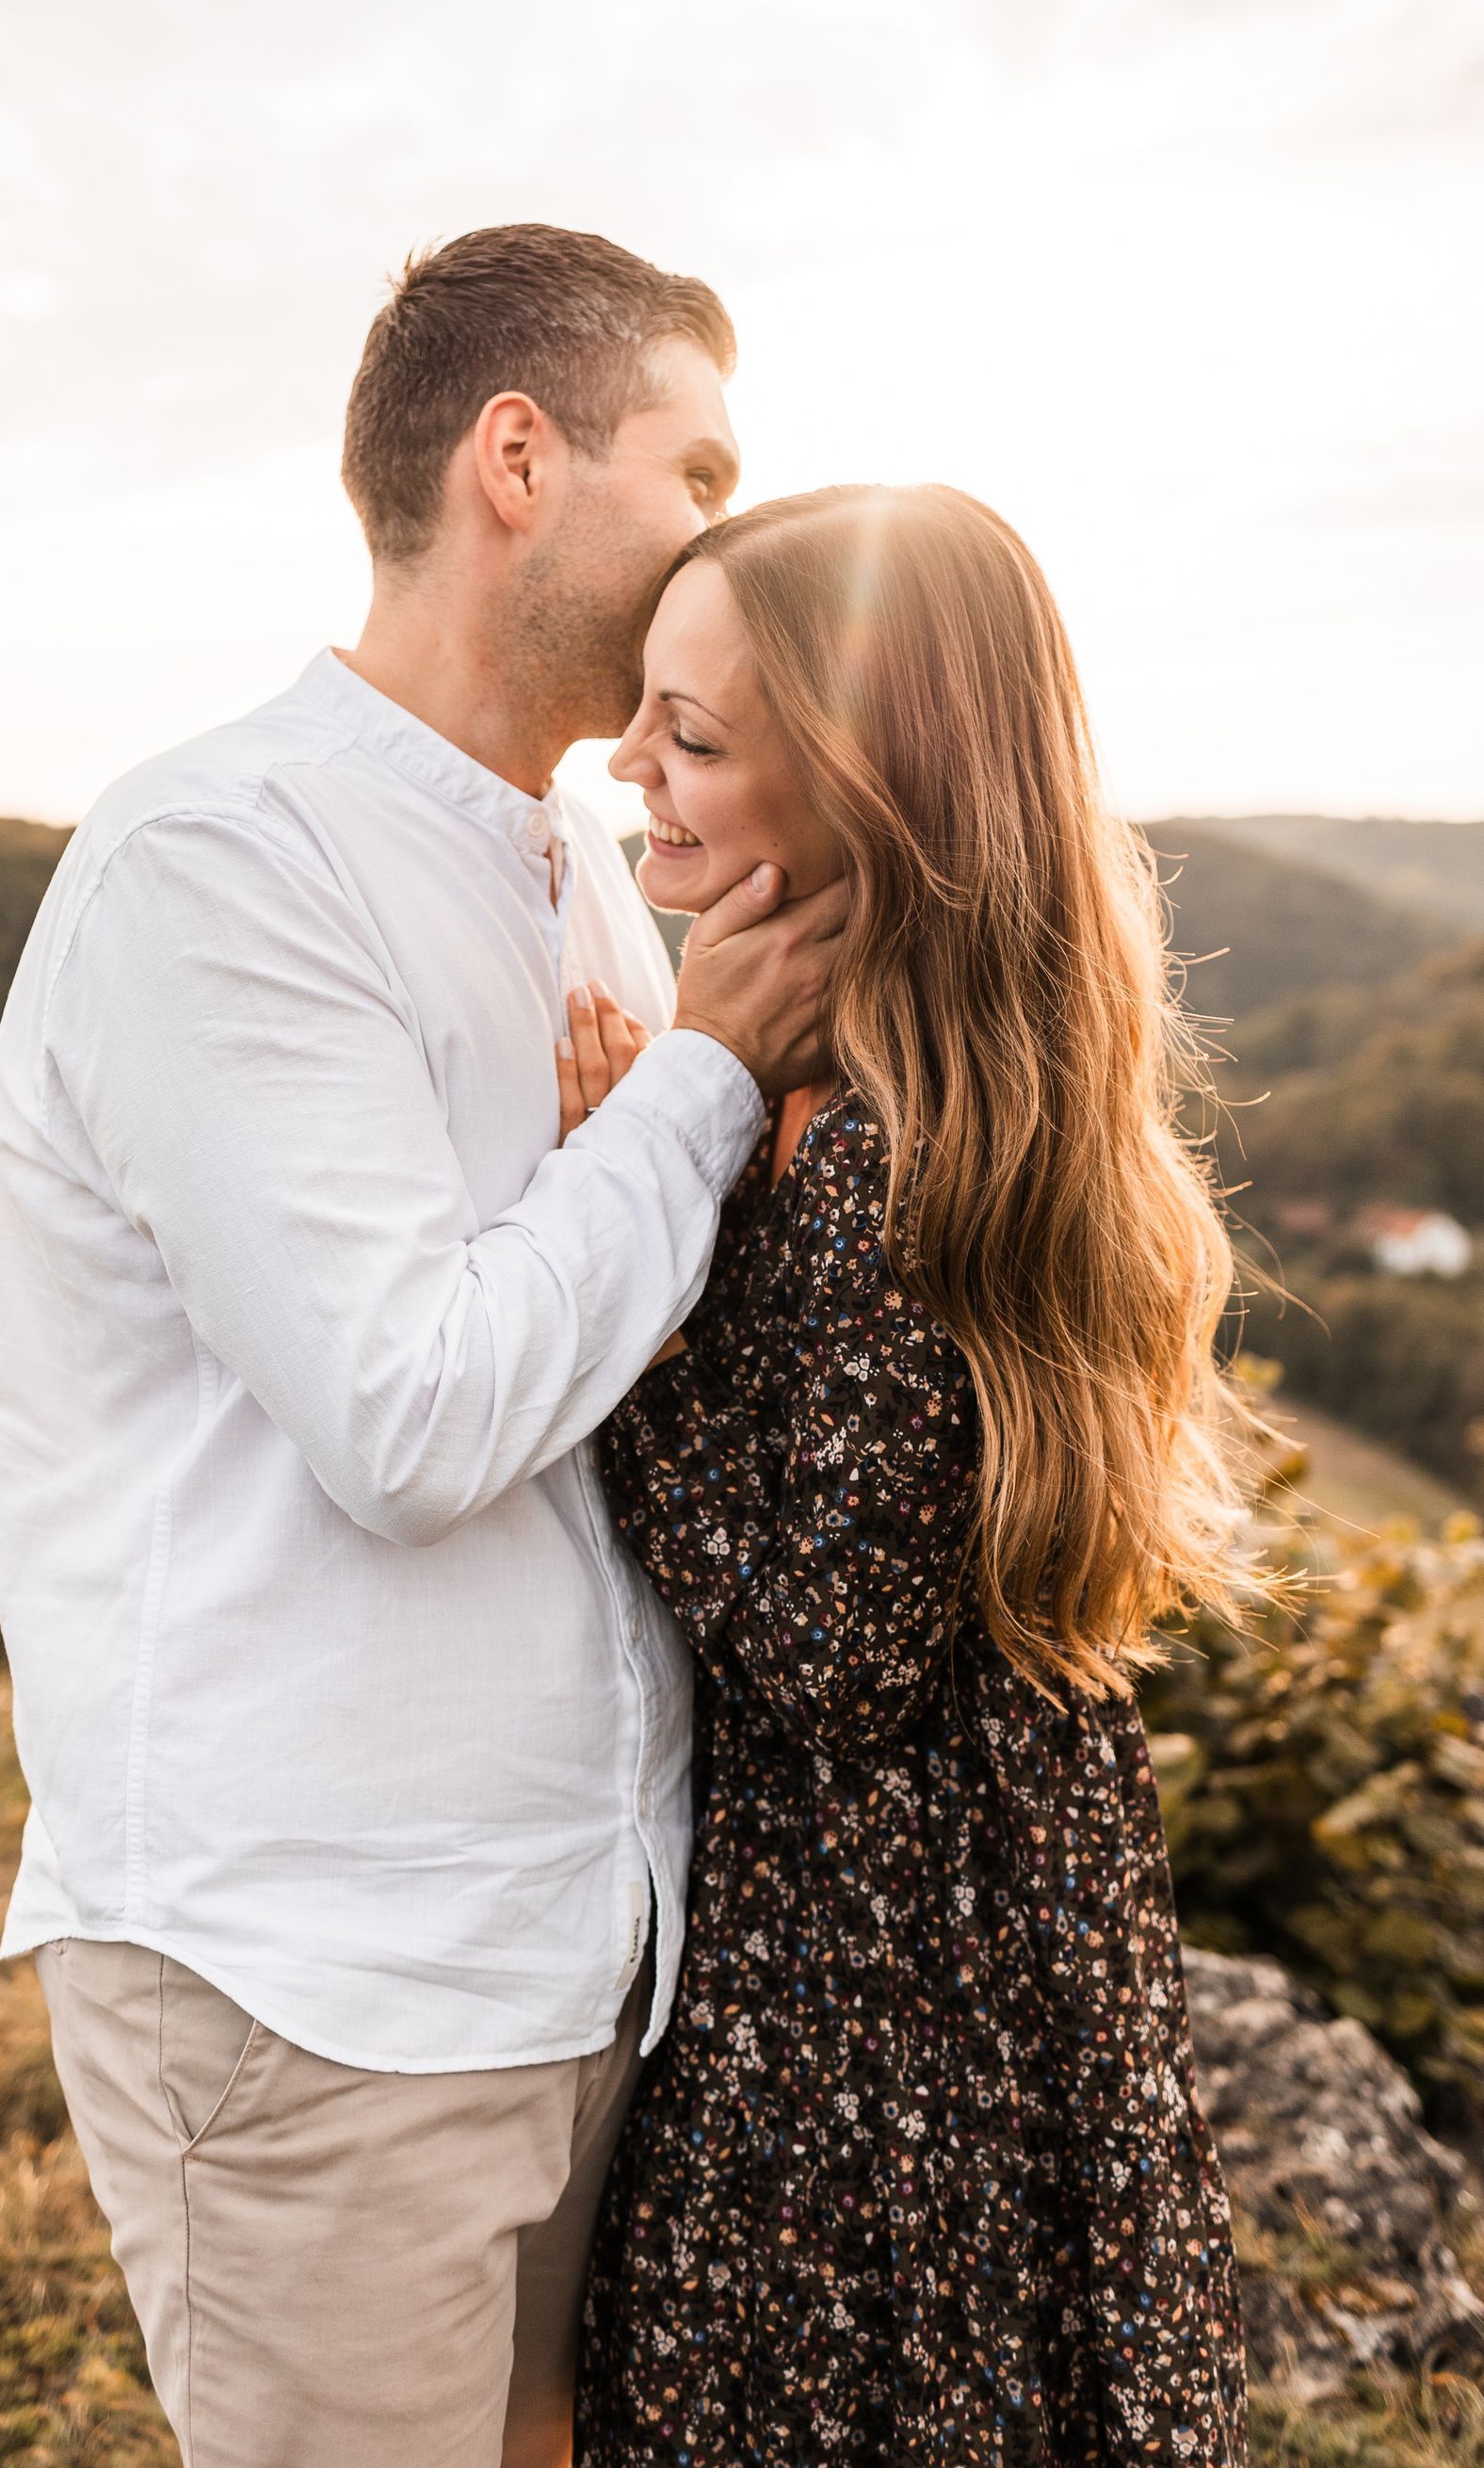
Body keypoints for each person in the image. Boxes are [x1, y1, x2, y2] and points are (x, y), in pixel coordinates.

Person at [0, 225, 846, 2468]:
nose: (729, 524)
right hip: (313, 1995)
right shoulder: (223, 859)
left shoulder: (564, 864)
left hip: (577, 1948)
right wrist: (706, 1080)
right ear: (523, 461)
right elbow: (414, 1413)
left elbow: (621, 1331)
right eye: (701, 461)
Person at [566, 484, 1252, 2466]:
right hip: (977, 1950)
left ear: (875, 792)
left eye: (695, 737)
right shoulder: (956, 1094)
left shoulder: (870, 1160)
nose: (630, 767)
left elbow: (823, 1650)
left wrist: (642, 1298)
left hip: (881, 1999)